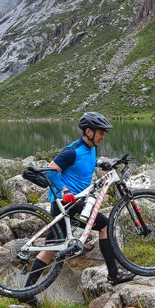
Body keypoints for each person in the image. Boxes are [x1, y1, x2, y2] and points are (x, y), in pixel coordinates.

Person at [27, 112, 134, 288]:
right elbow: (51, 170)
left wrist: (100, 164)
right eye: (101, 132)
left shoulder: (91, 148)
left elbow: (86, 161)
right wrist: (64, 189)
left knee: (50, 249)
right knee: (105, 225)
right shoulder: (72, 151)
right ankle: (113, 274)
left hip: (67, 205)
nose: (103, 136)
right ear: (89, 132)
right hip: (70, 203)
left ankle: (25, 291)